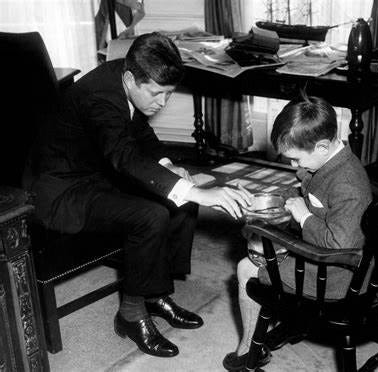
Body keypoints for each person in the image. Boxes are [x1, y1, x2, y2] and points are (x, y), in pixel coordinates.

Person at [25, 32, 251, 358]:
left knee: (177, 196)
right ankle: (131, 314)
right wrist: (196, 192)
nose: (162, 103)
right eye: (158, 94)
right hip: (61, 191)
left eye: (168, 94)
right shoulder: (99, 97)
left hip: (94, 173)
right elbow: (124, 156)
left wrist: (170, 167)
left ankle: (154, 294)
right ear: (131, 79)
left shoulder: (127, 72)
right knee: (153, 212)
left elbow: (140, 134)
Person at [222, 96, 373, 371]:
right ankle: (292, 319)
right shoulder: (328, 162)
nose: (294, 167)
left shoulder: (347, 183)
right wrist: (268, 201)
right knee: (261, 240)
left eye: (296, 159)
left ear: (322, 146)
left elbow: (340, 245)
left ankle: (248, 350)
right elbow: (305, 192)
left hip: (342, 276)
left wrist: (303, 216)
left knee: (246, 268)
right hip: (336, 262)